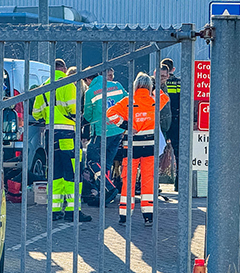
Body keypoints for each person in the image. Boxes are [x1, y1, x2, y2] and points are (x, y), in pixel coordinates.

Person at [32, 58, 92, 222]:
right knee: (73, 173)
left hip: (50, 135)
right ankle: (74, 211)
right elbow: (73, 109)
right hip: (68, 133)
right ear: (64, 69)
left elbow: (36, 114)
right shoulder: (68, 84)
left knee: (55, 173)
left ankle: (55, 210)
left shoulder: (43, 87)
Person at [107, 72, 169, 227]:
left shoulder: (128, 101)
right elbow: (164, 96)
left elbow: (110, 113)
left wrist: (126, 125)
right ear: (149, 86)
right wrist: (155, 83)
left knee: (128, 181)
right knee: (148, 181)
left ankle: (124, 215)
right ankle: (148, 216)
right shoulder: (154, 100)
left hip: (131, 148)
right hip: (149, 147)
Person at [83, 67, 127, 203]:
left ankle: (109, 188)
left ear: (88, 80)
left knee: (92, 160)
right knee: (107, 163)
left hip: (101, 132)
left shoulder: (90, 92)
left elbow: (88, 116)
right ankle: (105, 194)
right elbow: (128, 102)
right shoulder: (117, 85)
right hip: (118, 130)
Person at [161, 58, 181, 188]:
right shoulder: (180, 83)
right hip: (177, 119)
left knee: (156, 151)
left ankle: (151, 181)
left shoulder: (155, 83)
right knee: (178, 152)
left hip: (160, 120)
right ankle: (179, 181)